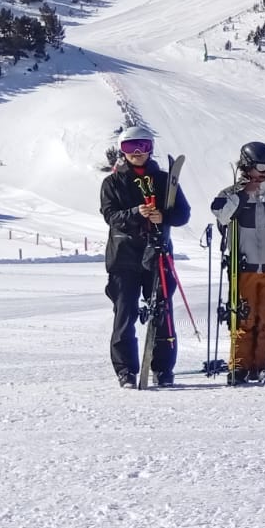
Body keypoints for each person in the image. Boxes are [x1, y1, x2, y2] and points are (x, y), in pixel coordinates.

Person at [100, 127, 192, 386]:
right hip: (124, 257)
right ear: (122, 151)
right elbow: (110, 216)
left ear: (151, 148)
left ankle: (163, 368)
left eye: (143, 146)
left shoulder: (164, 180)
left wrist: (164, 216)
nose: (138, 152)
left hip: (157, 254)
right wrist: (135, 213)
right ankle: (126, 370)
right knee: (125, 313)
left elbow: (183, 214)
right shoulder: (112, 183)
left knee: (162, 312)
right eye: (131, 147)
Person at [210, 141, 265, 384]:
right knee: (242, 318)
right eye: (261, 167)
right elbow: (223, 216)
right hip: (243, 268)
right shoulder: (228, 195)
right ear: (247, 166)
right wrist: (244, 194)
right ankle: (239, 366)